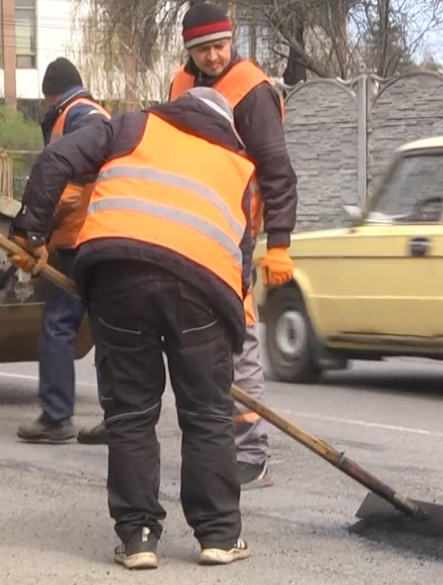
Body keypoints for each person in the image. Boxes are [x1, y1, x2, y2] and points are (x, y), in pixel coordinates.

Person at [8, 87, 255, 570]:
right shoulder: (238, 165)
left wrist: (30, 233)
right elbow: (241, 265)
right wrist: (229, 343)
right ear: (225, 125)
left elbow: (56, 159)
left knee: (131, 413)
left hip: (118, 275)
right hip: (203, 290)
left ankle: (139, 538)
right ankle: (220, 536)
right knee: (207, 413)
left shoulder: (130, 126)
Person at [80, 1, 298, 492]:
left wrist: (279, 242)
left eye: (220, 46)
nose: (214, 57)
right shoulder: (182, 85)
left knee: (237, 339)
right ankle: (212, 443)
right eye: (203, 50)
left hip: (229, 233)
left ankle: (251, 453)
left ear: (232, 39)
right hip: (183, 231)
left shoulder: (252, 92)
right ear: (188, 50)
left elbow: (278, 174)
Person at [15, 57, 111, 444]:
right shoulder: (86, 113)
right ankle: (118, 417)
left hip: (79, 238)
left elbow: (75, 175)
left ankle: (56, 417)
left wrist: (36, 232)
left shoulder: (82, 114)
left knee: (58, 323)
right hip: (97, 233)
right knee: (106, 328)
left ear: (49, 94)